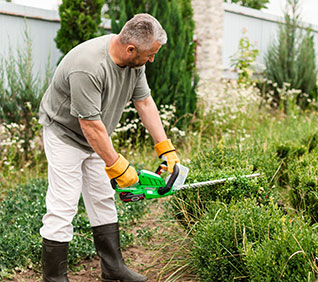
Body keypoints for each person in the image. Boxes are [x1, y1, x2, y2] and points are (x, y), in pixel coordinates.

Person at [38, 13, 180, 282]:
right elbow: (89, 125)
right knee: (63, 204)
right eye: (150, 54)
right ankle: (54, 279)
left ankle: (113, 269)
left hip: (96, 136)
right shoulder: (88, 66)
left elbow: (145, 103)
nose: (152, 59)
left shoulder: (135, 64)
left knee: (103, 197)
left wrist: (166, 149)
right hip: (65, 135)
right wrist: (116, 165)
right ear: (131, 49)